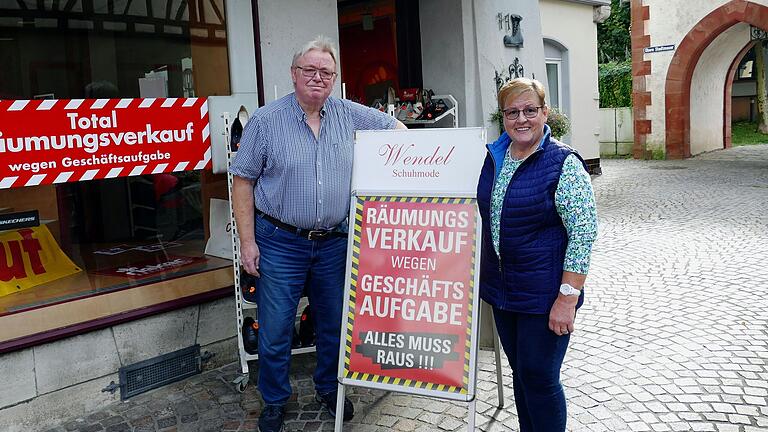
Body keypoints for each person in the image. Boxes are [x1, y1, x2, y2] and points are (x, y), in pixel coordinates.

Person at [229, 35, 406, 432]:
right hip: (279, 242)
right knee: (275, 330)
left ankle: (330, 389)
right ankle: (274, 400)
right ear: (293, 75)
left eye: (326, 72)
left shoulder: (349, 114)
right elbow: (242, 182)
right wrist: (248, 242)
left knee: (333, 325)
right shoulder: (265, 121)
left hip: (335, 243)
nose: (317, 77)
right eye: (309, 70)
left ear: (334, 77)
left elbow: (397, 129)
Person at [476, 77, 598, 432]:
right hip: (504, 292)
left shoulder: (563, 162)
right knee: (522, 373)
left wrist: (567, 298)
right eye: (512, 112)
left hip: (545, 294)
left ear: (545, 113)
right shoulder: (495, 157)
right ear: (503, 117)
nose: (521, 119)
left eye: (530, 110)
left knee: (540, 377)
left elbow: (583, 233)